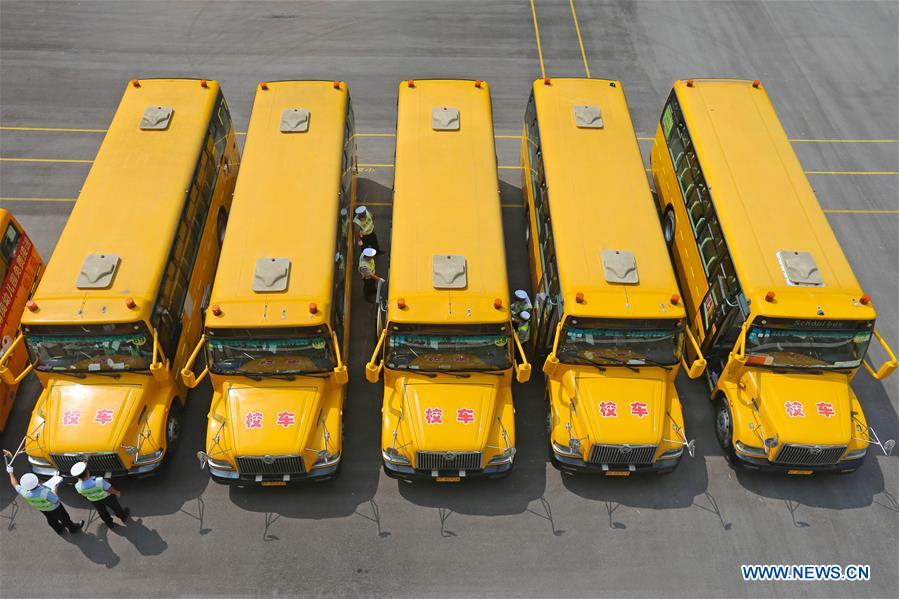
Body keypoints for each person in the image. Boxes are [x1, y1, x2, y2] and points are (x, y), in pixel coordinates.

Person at [7, 467, 83, 534]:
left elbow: (15, 484)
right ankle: (72, 529)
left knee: (51, 519)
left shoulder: (25, 492)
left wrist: (10, 472)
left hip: (43, 509)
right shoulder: (45, 492)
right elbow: (56, 500)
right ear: (36, 481)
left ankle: (58, 530)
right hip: (56, 508)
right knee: (65, 518)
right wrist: (54, 488)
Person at [71, 462, 130, 528]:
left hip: (94, 500)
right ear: (88, 471)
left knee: (102, 512)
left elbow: (82, 491)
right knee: (116, 507)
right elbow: (109, 489)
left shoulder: (77, 486)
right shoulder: (98, 481)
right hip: (107, 497)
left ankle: (109, 523)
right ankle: (123, 517)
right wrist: (116, 492)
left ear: (77, 477)